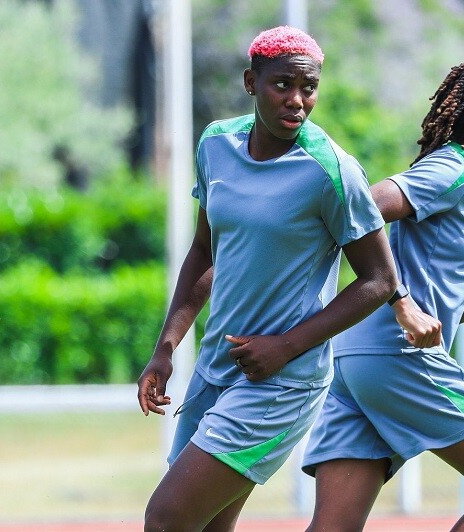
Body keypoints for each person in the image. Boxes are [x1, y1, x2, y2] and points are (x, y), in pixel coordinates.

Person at [136, 26, 399, 531]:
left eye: (309, 87)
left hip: (283, 382)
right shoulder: (216, 145)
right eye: (282, 85)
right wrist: (166, 348)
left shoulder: (332, 171)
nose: (298, 101)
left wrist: (285, 347)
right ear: (251, 82)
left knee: (166, 518)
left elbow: (379, 280)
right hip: (216, 370)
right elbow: (203, 252)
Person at [302, 58, 464, 531]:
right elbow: (364, 206)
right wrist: (399, 300)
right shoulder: (451, 169)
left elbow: (446, 310)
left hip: (356, 359)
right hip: (399, 356)